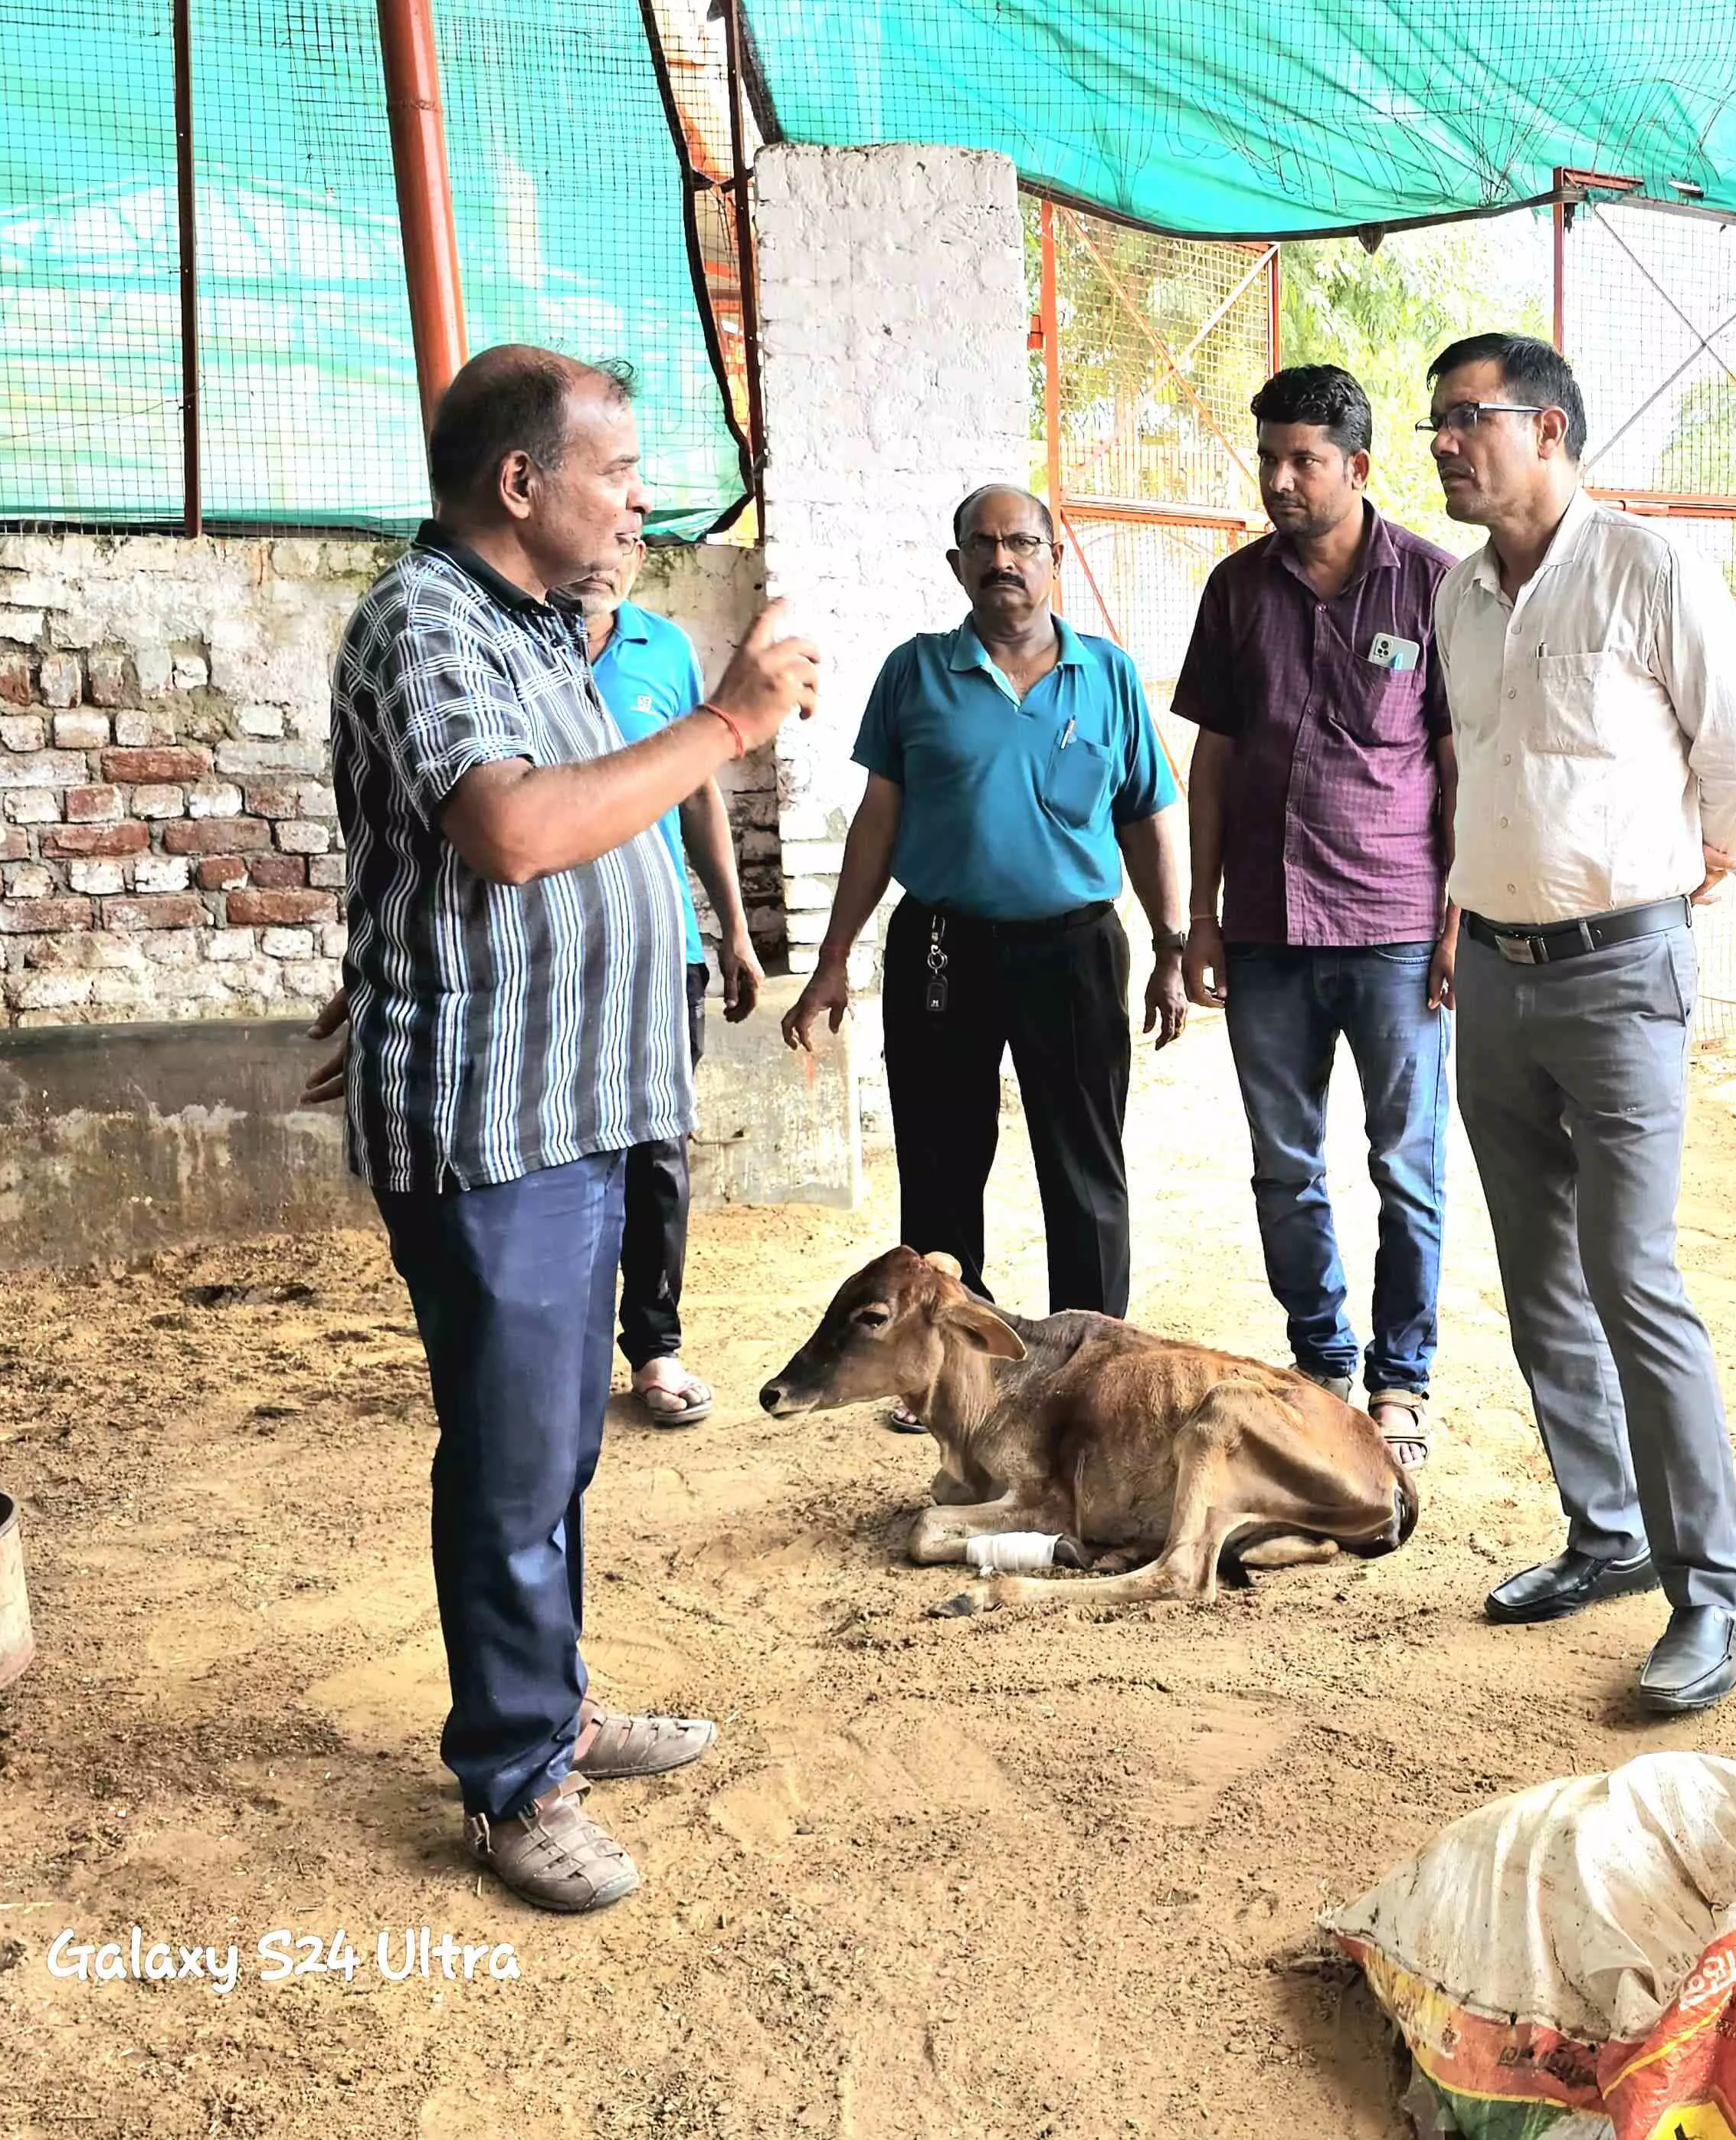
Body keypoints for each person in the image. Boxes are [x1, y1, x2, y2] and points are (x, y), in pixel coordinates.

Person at [322, 344, 818, 1912]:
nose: (640, 496)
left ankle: (555, 1702)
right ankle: (514, 1778)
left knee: (547, 1451)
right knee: (513, 1454)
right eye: (616, 469)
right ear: (521, 484)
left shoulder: (538, 630)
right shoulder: (428, 620)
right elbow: (518, 832)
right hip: (497, 1127)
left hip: (576, 1106)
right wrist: (730, 726)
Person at [1428, 331, 1736, 1717]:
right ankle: (1607, 1530)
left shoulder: (1650, 569)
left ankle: (1712, 1594)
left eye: (1470, 419)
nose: (1447, 444)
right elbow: (1484, 781)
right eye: (1437, 426)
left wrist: (1663, 893)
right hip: (1497, 975)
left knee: (1632, 1276)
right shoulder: (1461, 600)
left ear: (1552, 430)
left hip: (1624, 970)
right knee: (1539, 1281)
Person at [783, 484, 1187, 1331]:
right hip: (940, 947)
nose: (1003, 559)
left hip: (1073, 949)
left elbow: (1149, 815)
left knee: (1084, 1162)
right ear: (958, 563)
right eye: (984, 544)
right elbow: (877, 823)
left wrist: (1171, 946)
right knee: (938, 1161)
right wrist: (831, 962)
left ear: (1054, 558)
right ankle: (943, 1354)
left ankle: (1090, 1350)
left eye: (1022, 543)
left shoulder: (1105, 674)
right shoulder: (916, 671)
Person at [1174, 365, 1458, 1470]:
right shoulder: (1237, 591)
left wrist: (1455, 915)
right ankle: (1321, 1363)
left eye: (1304, 460)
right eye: (1269, 458)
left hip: (1393, 929)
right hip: (1268, 930)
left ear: (1358, 469)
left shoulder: (1434, 588)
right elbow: (1215, 760)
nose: (1281, 481)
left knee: (1407, 1164)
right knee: (1284, 1163)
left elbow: (1458, 761)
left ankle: (1402, 1379)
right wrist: (1199, 913)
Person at [574, 536, 765, 1428]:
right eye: (600, 530)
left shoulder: (667, 651)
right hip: (549, 947)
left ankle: (654, 1349)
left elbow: (697, 796)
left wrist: (732, 930)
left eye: (629, 538)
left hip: (660, 947)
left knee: (656, 1149)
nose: (610, 555)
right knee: (560, 1152)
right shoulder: (513, 646)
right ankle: (559, 1352)